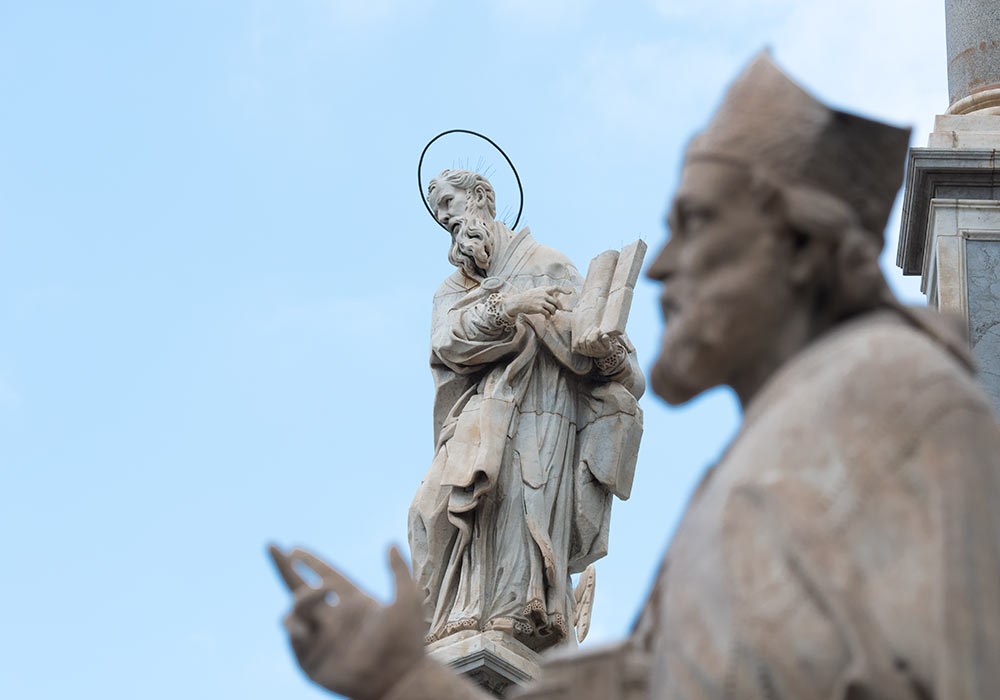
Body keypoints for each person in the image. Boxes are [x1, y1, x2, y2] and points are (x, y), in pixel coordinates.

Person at [272, 53, 1000, 699]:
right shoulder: (743, 484)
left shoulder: (900, 412)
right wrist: (401, 680)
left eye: (697, 224)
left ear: (800, 248)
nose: (663, 267)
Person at [409, 168, 643, 650]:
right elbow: (449, 343)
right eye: (438, 213)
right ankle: (451, 616)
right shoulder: (451, 290)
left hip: (545, 413)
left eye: (449, 204)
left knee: (519, 507)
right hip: (482, 415)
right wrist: (511, 307)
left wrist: (603, 345)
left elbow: (625, 371)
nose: (445, 218)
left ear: (480, 197)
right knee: (430, 512)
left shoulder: (550, 264)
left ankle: (510, 617)